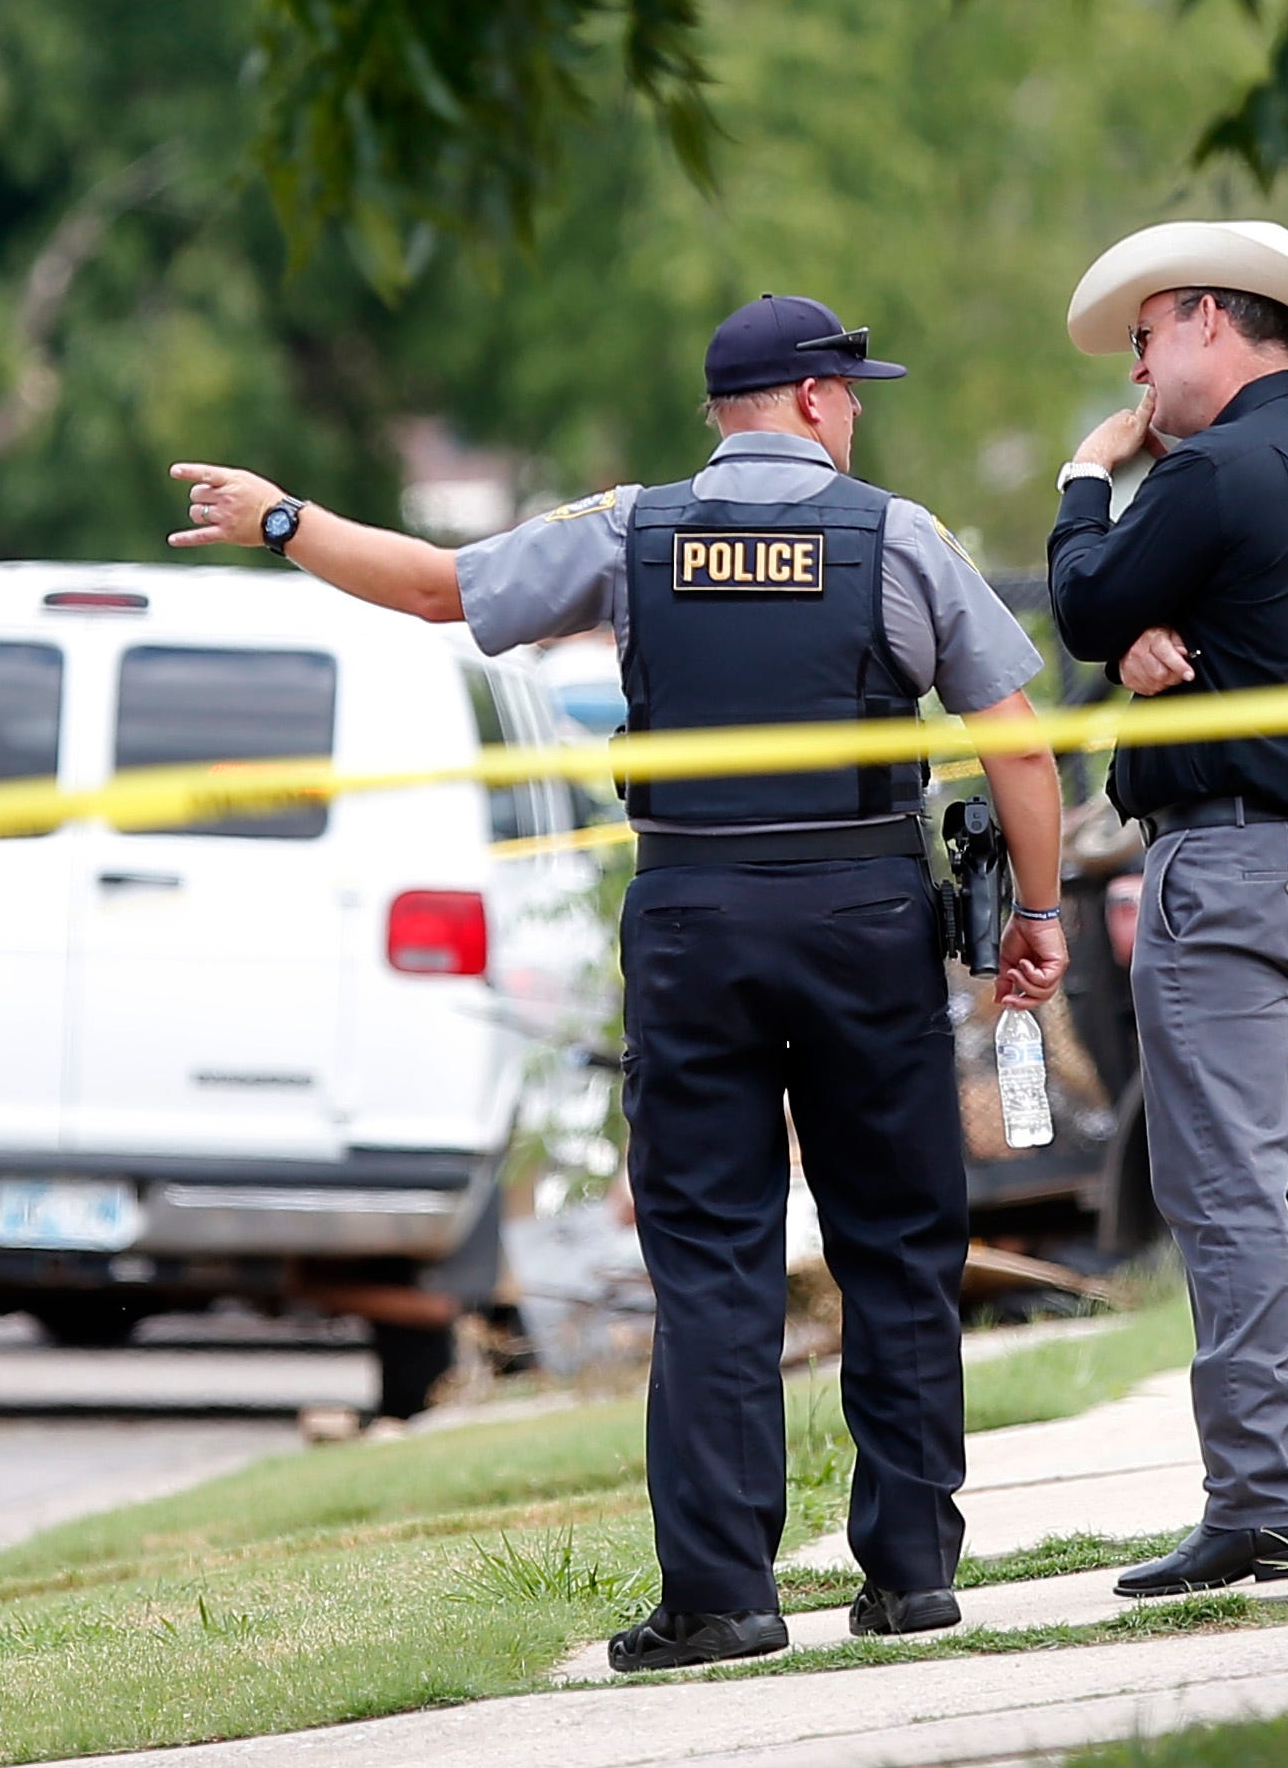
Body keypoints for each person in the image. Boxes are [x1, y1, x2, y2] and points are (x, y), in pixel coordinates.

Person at [170, 293, 1070, 1672]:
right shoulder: (898, 536)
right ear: (818, 400)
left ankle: (724, 1598)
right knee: (896, 1236)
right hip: (859, 912)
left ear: (723, 410)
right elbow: (1017, 745)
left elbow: (431, 586)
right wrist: (1041, 911)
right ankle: (910, 1576)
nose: (861, 411)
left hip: (695, 912)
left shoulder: (629, 532)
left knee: (711, 1257)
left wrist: (285, 518)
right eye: (855, 391)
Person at [1041, 219, 1288, 1596]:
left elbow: (1084, 604)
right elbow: (1199, 624)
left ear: (1204, 316)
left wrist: (1091, 476)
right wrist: (1156, 638)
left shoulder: (1214, 468)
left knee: (1226, 1185)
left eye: (1142, 340)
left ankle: (1259, 1495)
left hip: (1233, 862)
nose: (1136, 375)